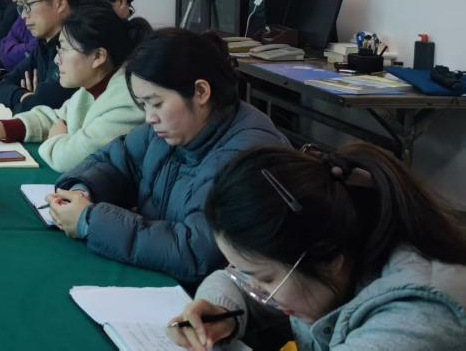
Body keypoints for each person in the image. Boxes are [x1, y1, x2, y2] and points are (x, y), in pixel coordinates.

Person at [168, 143, 466, 351]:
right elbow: (239, 279)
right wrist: (219, 309)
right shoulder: (340, 240)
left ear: (329, 257)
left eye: (266, 279)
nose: (258, 290)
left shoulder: (418, 317)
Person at [48, 28, 289, 285]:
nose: (149, 117)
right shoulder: (171, 130)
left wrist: (91, 221)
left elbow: (198, 252)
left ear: (200, 92)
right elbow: (115, 162)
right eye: (143, 105)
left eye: (156, 103)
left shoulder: (247, 153)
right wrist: (83, 191)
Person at [0, 0, 151, 172]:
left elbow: (69, 159)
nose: (56, 60)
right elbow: (54, 117)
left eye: (64, 50)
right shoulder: (92, 88)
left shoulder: (127, 101)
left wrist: (57, 137)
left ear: (98, 56)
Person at [0, 0, 80, 113]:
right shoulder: (43, 45)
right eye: (22, 7)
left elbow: (40, 108)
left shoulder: (78, 48)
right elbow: (2, 85)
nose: (23, 15)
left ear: (60, 3)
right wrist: (24, 96)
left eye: (29, 5)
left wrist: (32, 102)